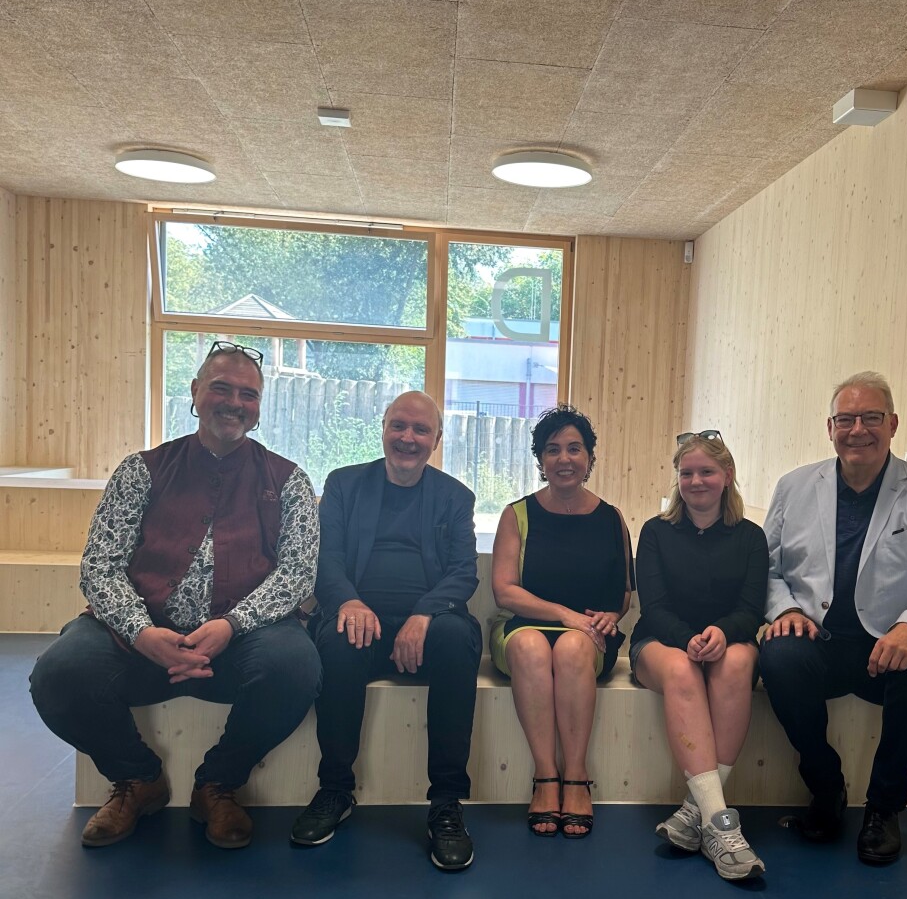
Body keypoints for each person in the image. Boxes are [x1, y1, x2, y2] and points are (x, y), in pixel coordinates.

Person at [30, 341, 322, 850]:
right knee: (58, 675)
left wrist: (232, 624)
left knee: (297, 669)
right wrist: (142, 633)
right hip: (138, 640)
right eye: (222, 388)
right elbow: (100, 566)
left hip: (241, 642)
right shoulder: (140, 470)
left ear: (259, 407)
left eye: (248, 395)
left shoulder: (289, 480)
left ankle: (218, 784)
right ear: (194, 392)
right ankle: (137, 778)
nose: (234, 403)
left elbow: (297, 573)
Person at [758, 371, 907, 865]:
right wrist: (785, 609)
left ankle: (883, 807)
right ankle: (825, 786)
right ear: (829, 428)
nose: (858, 430)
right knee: (779, 656)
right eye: (846, 419)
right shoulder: (793, 487)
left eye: (871, 417)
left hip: (890, 645)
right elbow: (765, 569)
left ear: (892, 424)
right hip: (818, 638)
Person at [292, 391, 481, 870]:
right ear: (382, 428)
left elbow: (463, 572)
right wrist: (350, 601)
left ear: (437, 440)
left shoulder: (455, 497)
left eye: (420, 429)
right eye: (399, 425)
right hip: (360, 617)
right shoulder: (344, 484)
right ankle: (335, 789)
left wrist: (424, 613)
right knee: (339, 640)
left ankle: (446, 802)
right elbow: (326, 559)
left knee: (457, 640)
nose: (408, 438)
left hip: (429, 626)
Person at [491, 406, 632, 837]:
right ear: (540, 459)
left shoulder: (612, 517)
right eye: (552, 450)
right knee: (532, 646)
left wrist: (610, 615)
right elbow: (505, 592)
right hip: (522, 628)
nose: (564, 458)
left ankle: (576, 777)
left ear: (589, 457)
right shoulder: (517, 514)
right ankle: (545, 776)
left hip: (588, 637)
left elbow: (623, 594)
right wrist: (566, 615)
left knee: (572, 647)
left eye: (574, 448)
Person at [633, 432, 768, 882]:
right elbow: (653, 608)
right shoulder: (655, 532)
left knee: (738, 663)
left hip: (727, 642)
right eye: (686, 473)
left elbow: (751, 610)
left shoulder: (751, 537)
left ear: (727, 476)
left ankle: (698, 814)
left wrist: (723, 633)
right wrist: (687, 638)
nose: (695, 481)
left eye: (706, 472)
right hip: (661, 643)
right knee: (682, 670)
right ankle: (725, 830)